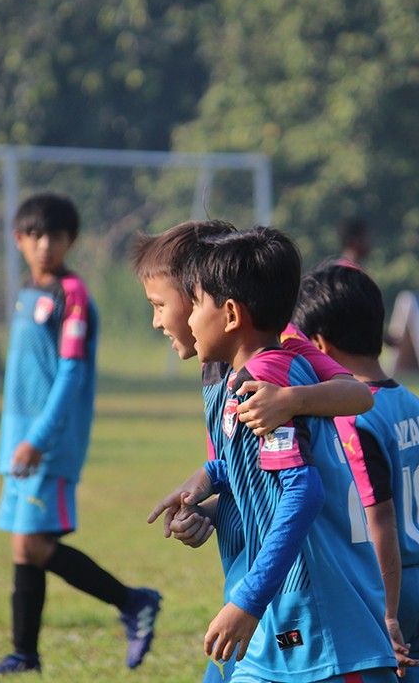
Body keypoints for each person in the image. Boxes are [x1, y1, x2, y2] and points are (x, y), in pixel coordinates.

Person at [130, 220, 378, 682]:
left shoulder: (267, 371)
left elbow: (303, 487)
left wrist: (292, 400)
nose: (160, 320)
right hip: (260, 579)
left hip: (294, 593)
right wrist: (206, 490)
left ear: (217, 305)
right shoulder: (223, 370)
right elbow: (247, 469)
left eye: (164, 304)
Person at [0, 192, 160, 675]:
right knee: (23, 545)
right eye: (36, 236)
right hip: (20, 443)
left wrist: (38, 439)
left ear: (72, 241)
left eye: (56, 236)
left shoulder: (73, 296)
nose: (46, 245)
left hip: (47, 444)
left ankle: (134, 602)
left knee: (36, 544)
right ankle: (24, 652)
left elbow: (70, 375)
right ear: (19, 239)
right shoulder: (28, 292)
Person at [292, 263, 419, 682]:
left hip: (385, 587)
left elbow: (380, 521)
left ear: (319, 343)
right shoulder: (418, 407)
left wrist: (389, 613)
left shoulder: (354, 416)